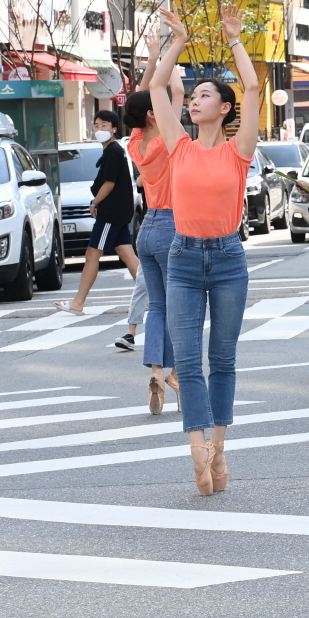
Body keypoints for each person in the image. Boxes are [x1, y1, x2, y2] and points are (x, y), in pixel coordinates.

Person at [147, 5, 260, 496]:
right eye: (192, 96)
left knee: (224, 359)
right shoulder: (180, 146)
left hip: (229, 260)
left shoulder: (240, 151)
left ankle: (220, 446)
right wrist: (179, 41)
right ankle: (198, 450)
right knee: (187, 363)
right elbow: (156, 88)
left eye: (205, 95)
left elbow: (254, 88)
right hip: (184, 259)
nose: (194, 100)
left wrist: (234, 39)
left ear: (225, 109)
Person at [121, 45, 184, 414]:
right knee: (181, 305)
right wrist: (169, 56)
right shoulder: (166, 139)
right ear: (152, 114)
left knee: (157, 306)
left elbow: (144, 96)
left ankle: (158, 372)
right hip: (176, 225)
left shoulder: (136, 143)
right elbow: (173, 91)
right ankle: (175, 372)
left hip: (147, 228)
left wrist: (150, 62)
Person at [56, 111, 140, 315]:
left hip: (111, 214)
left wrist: (94, 202)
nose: (99, 130)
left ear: (114, 129)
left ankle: (78, 302)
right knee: (127, 254)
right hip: (117, 212)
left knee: (92, 254)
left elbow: (109, 184)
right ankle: (156, 298)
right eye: (96, 126)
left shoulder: (113, 152)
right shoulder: (112, 151)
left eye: (104, 125)